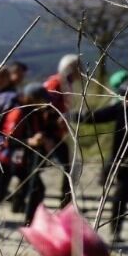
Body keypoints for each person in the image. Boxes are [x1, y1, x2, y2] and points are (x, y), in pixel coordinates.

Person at [0, 84, 58, 232]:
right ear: (30, 98)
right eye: (41, 100)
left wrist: (44, 138)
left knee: (37, 189)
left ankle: (30, 225)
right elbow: (9, 140)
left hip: (20, 161)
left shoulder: (34, 113)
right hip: (4, 160)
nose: (44, 104)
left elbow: (37, 131)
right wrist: (30, 141)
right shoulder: (17, 112)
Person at [80, 78, 128, 242]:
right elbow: (96, 117)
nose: (125, 100)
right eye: (123, 96)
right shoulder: (121, 109)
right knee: (122, 195)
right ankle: (115, 230)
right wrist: (72, 115)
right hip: (126, 160)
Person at [44, 54, 82, 205]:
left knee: (69, 166)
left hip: (57, 133)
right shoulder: (55, 83)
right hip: (48, 132)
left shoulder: (67, 84)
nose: (81, 71)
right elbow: (45, 107)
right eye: (77, 67)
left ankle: (66, 202)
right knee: (69, 167)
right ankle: (66, 202)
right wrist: (56, 120)